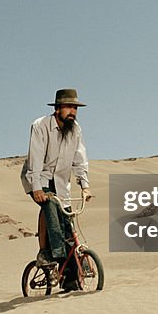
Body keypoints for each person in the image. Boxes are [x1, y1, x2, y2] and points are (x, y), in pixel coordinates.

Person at [21, 88, 93, 290]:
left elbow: (80, 160)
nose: (73, 112)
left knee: (67, 220)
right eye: (69, 107)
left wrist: (85, 187)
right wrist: (37, 188)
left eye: (75, 108)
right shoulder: (40, 126)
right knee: (51, 210)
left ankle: (70, 277)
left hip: (61, 182)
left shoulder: (75, 129)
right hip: (39, 177)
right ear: (58, 108)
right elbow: (35, 159)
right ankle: (47, 256)